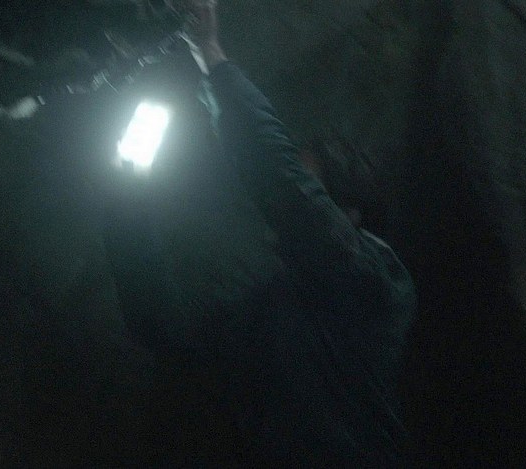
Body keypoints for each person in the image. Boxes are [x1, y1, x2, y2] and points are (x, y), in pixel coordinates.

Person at [105, 0, 417, 465]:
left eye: (312, 181)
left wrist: (210, 50)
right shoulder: (270, 308)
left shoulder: (378, 283)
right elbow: (166, 331)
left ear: (350, 214)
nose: (283, 207)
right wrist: (126, 197)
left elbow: (282, 184)